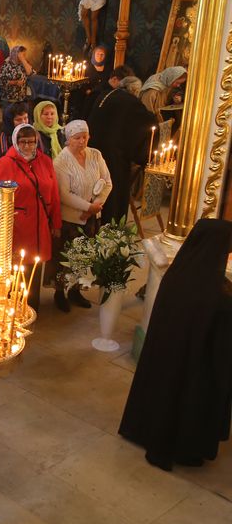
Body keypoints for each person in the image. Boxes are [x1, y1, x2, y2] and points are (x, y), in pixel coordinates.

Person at [118, 218, 232, 471]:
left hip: (165, 358)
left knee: (164, 389)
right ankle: (184, 447)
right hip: (195, 371)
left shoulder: (176, 276)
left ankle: (145, 429)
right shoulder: (217, 297)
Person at [0, 124, 62, 312]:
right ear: (15, 142)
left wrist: (56, 223)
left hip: (40, 225)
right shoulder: (5, 163)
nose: (28, 146)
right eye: (23, 142)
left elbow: (54, 194)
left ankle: (32, 310)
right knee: (17, 272)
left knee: (35, 270)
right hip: (17, 228)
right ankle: (13, 313)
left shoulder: (45, 161)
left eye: (32, 142)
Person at [51, 119, 111, 312]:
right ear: (68, 139)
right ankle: (59, 292)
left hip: (92, 216)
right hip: (70, 219)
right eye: (77, 138)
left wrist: (96, 205)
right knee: (65, 259)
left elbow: (107, 182)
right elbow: (63, 194)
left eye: (85, 137)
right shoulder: (61, 161)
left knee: (83, 257)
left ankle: (76, 290)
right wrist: (87, 207)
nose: (82, 141)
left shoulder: (95, 154)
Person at [87, 74, 154, 224]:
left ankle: (94, 224)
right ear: (135, 90)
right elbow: (144, 124)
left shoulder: (105, 94)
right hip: (114, 156)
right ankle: (111, 226)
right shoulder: (131, 102)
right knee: (113, 191)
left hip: (93, 149)